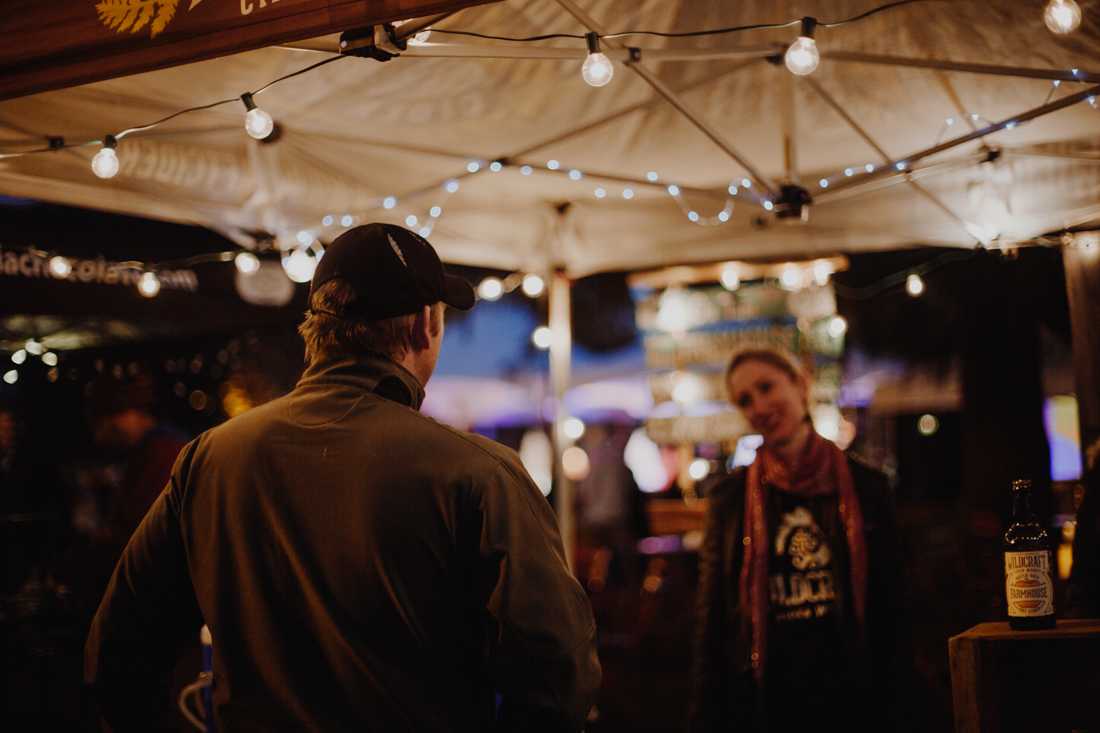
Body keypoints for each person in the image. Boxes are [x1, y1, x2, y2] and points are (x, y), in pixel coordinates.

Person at [85, 223, 601, 732]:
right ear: (425, 324)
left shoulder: (210, 458)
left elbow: (118, 650)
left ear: (319, 327)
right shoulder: (478, 472)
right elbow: (558, 673)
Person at [688, 347, 905, 732]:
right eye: (745, 400)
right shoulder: (729, 501)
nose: (759, 405)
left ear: (800, 385)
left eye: (767, 387)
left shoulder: (867, 488)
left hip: (854, 695)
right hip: (768, 701)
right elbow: (712, 618)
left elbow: (895, 603)